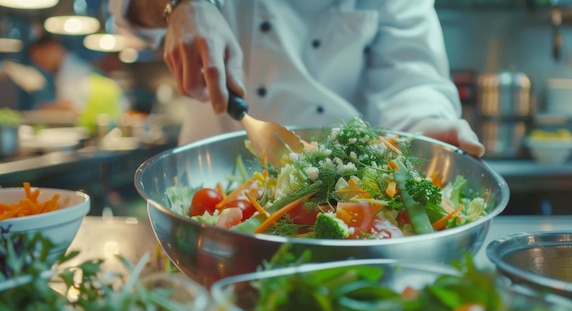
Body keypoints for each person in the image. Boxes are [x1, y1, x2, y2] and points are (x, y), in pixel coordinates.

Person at [110, 0, 485, 156]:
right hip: (215, 179)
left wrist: (424, 129)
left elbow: (409, 76)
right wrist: (178, 6)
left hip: (345, 193)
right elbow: (129, 8)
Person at [28, 36, 127, 135]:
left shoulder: (70, 70)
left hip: (97, 130)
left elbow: (70, 108)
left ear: (52, 48)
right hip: (104, 128)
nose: (42, 65)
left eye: (41, 58)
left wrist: (43, 110)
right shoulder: (71, 65)